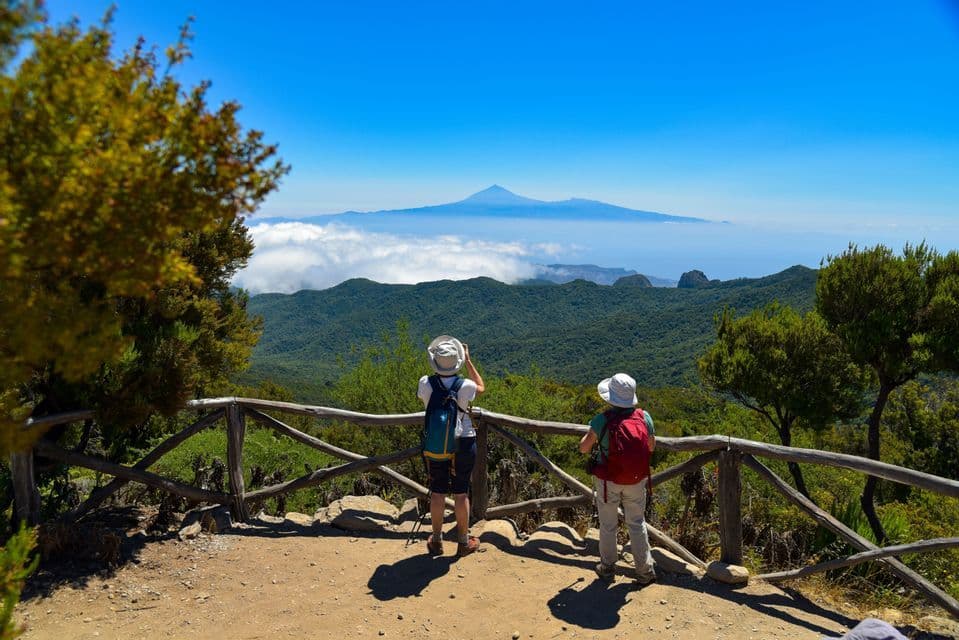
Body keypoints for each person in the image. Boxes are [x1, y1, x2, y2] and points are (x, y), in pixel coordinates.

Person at [578, 372, 657, 584]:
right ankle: (645, 571)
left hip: (608, 481)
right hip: (636, 479)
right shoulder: (644, 417)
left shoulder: (601, 420)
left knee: (608, 524)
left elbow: (584, 448)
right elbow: (651, 446)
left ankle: (607, 567)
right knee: (637, 523)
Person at [417, 335, 485, 557]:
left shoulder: (425, 383)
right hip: (464, 442)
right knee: (461, 493)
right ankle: (463, 543)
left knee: (437, 493)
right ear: (457, 361)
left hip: (436, 443)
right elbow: (481, 387)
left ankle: (436, 540)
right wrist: (469, 361)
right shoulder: (465, 385)